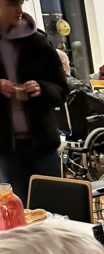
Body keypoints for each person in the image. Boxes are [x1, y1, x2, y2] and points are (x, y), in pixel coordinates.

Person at [0, 0, 67, 203]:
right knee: (16, 212)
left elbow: (62, 89)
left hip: (43, 145)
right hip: (5, 147)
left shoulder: (38, 42)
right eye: (12, 4)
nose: (19, 10)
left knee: (55, 207)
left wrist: (42, 88)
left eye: (21, 3)